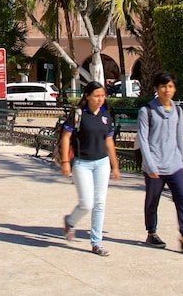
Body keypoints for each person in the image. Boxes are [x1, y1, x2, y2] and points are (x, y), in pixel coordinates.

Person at [138, 70, 183, 253]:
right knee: (152, 201)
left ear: (174, 89)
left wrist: (182, 161)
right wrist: (150, 165)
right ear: (156, 89)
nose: (167, 90)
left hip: (175, 165)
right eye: (163, 86)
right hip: (155, 166)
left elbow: (179, 136)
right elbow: (143, 140)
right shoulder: (147, 111)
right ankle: (151, 233)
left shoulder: (177, 110)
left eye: (170, 86)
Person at [58, 81, 121, 257]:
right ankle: (70, 221)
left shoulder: (106, 115)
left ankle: (96, 242)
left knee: (100, 203)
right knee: (87, 203)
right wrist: (65, 161)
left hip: (102, 163)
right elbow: (66, 136)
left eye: (102, 95)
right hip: (82, 163)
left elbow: (109, 140)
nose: (100, 99)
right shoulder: (78, 114)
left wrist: (114, 165)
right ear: (87, 96)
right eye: (96, 96)